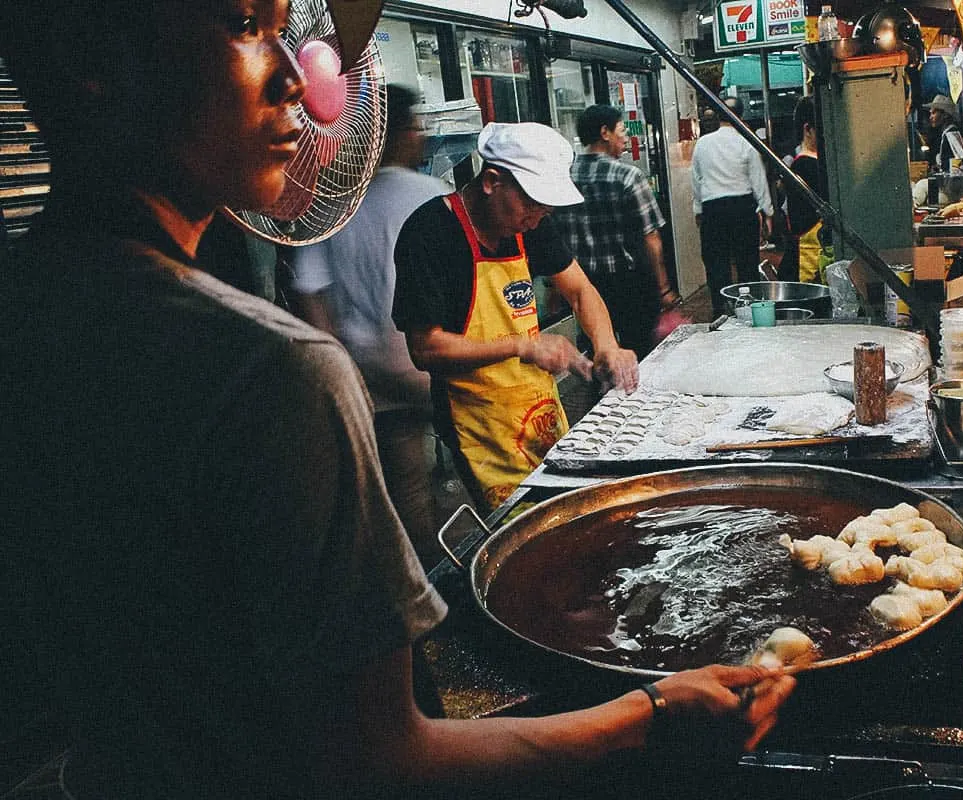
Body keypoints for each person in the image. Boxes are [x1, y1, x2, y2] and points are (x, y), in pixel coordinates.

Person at [1, 3, 794, 798]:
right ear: (93, 56)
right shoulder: (274, 375)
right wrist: (650, 712)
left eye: (288, 30)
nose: (307, 87)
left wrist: (607, 342)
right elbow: (376, 760)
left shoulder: (35, 316)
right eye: (246, 23)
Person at [393, 122, 640, 511]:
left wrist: (607, 344)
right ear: (492, 181)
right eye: (531, 203)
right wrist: (523, 345)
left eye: (545, 207)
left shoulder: (530, 223)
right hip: (479, 424)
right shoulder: (430, 233)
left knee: (570, 510)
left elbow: (579, 289)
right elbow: (425, 348)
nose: (538, 216)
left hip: (539, 407)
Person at [291, 83, 449, 566]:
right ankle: (445, 585)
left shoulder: (332, 205)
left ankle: (415, 573)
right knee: (457, 463)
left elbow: (309, 292)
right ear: (397, 131)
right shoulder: (433, 196)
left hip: (364, 370)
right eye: (417, 125)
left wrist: (340, 366)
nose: (421, 135)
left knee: (398, 482)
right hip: (428, 363)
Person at [556, 104, 679, 360]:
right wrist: (664, 288)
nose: (625, 138)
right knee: (641, 351)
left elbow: (558, 237)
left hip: (584, 283)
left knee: (598, 351)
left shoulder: (564, 177)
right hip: (630, 282)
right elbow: (652, 239)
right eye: (621, 131)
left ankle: (603, 397)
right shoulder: (628, 176)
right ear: (605, 132)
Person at [690, 95, 774, 313]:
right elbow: (758, 180)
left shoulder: (703, 144)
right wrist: (767, 213)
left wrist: (698, 210)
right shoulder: (747, 141)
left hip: (713, 209)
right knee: (747, 262)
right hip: (742, 208)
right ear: (741, 115)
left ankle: (721, 310)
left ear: (718, 115)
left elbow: (697, 180)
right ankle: (749, 310)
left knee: (716, 264)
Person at [779, 95, 829, 284]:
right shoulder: (805, 166)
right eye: (822, 130)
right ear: (808, 129)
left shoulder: (810, 162)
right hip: (806, 261)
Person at [923, 94, 963, 174]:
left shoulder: (951, 133)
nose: (930, 117)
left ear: (945, 115)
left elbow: (959, 159)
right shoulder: (946, 133)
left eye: (934, 113)